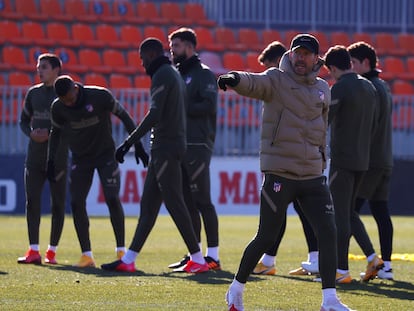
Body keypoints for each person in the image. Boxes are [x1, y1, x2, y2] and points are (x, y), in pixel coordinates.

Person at [218, 34, 354, 311]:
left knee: (329, 232)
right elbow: (253, 82)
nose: (300, 58)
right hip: (280, 173)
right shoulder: (276, 79)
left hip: (313, 175)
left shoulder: (322, 89)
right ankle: (236, 289)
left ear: (317, 58)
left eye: (306, 54)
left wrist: (321, 160)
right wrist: (234, 78)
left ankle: (329, 300)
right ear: (290, 54)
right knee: (266, 236)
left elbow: (322, 128)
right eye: (297, 52)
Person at [100, 38, 209, 274]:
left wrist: (130, 142)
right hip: (171, 145)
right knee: (148, 205)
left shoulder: (162, 74)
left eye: (142, 58)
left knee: (174, 202)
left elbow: (155, 113)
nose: (141, 63)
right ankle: (129, 259)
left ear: (150, 55)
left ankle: (198, 259)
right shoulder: (173, 74)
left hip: (165, 147)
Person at [47, 75, 148, 268]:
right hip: (80, 158)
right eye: (64, 101)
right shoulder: (58, 107)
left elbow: (124, 116)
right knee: (76, 203)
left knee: (112, 198)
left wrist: (138, 145)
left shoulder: (100, 96)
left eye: (70, 98)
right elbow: (56, 133)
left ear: (75, 88)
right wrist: (50, 161)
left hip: (105, 156)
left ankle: (121, 251)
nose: (69, 103)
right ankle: (87, 255)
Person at [252, 40, 320, 277]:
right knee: (295, 214)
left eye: (269, 64)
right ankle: (274, 260)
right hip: (290, 160)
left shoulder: (287, 84)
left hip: (291, 163)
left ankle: (275, 260)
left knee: (290, 214)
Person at [323, 45, 382, 283]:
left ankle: (341, 270)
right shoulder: (369, 87)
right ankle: (372, 258)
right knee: (349, 213)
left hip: (343, 160)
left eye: (330, 71)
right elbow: (376, 124)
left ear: (334, 68)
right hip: (363, 159)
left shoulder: (340, 88)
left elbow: (324, 120)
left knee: (339, 215)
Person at [167, 27, 221, 271]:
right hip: (180, 143)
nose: (172, 50)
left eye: (176, 46)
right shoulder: (177, 74)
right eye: (171, 46)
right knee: (187, 201)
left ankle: (214, 257)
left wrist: (179, 106)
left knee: (202, 200)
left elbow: (208, 106)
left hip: (198, 143)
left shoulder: (203, 75)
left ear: (189, 46)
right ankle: (195, 255)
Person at [347, 41, 394, 280]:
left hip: (370, 160)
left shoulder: (368, 88)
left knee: (347, 212)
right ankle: (387, 266)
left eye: (353, 62)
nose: (351, 67)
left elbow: (368, 126)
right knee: (381, 212)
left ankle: (356, 263)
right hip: (386, 158)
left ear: (366, 63)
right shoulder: (384, 86)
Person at [17, 53, 68, 265]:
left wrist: (52, 133)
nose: (39, 70)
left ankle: (52, 252)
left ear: (56, 69)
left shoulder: (66, 92)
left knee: (57, 204)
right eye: (38, 67)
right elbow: (22, 121)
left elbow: (72, 124)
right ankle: (33, 250)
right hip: (35, 158)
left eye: (44, 67)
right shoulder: (33, 93)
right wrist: (31, 134)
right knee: (32, 203)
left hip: (57, 158)